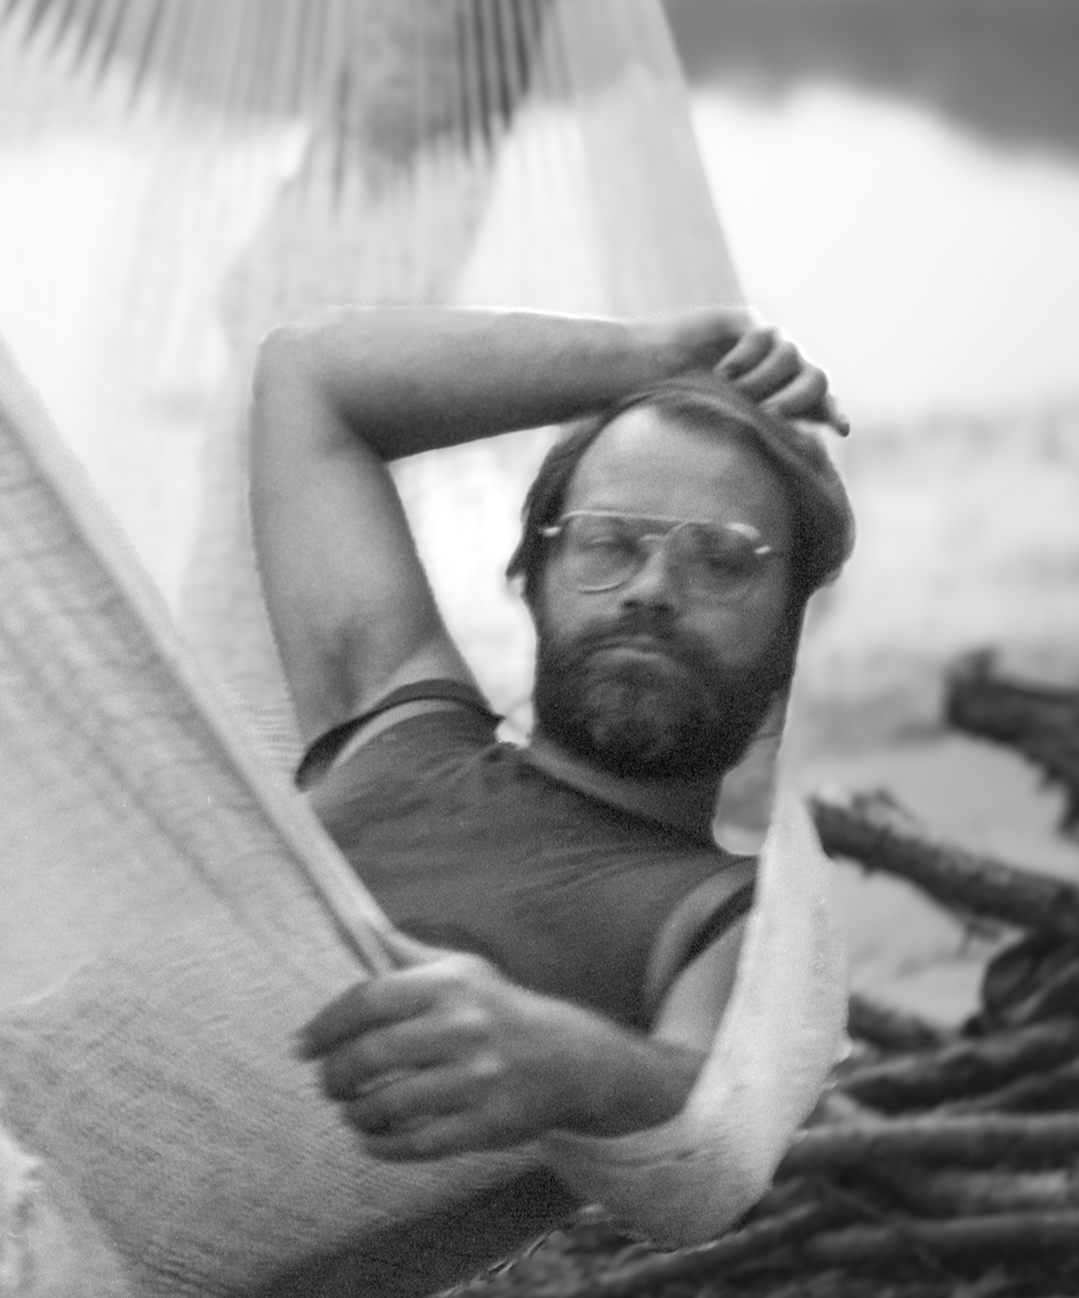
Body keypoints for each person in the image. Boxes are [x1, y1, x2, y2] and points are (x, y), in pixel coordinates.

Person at [249, 305, 852, 1166]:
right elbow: (307, 375)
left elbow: (729, 1125)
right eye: (607, 543)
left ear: (796, 632)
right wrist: (665, 356)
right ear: (534, 577)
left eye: (721, 559)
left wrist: (581, 1068)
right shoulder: (394, 719)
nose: (652, 588)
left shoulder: (735, 919)